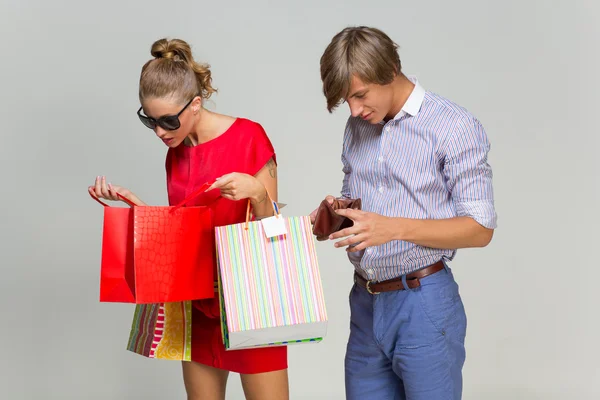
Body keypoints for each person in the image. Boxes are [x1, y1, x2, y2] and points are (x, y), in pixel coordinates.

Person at [88, 38, 288, 400]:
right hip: (198, 301)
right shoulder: (176, 153)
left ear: (195, 104)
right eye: (150, 121)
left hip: (252, 300)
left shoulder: (249, 138)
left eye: (168, 120)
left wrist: (257, 194)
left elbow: (274, 235)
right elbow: (184, 234)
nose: (161, 132)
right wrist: (139, 209)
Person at [314, 26, 497, 400]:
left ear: (391, 71)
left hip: (423, 303)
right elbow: (360, 202)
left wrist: (392, 228)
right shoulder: (357, 127)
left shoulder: (454, 127)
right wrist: (338, 213)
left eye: (361, 95)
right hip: (365, 302)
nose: (354, 110)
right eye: (346, 100)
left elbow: (480, 228)